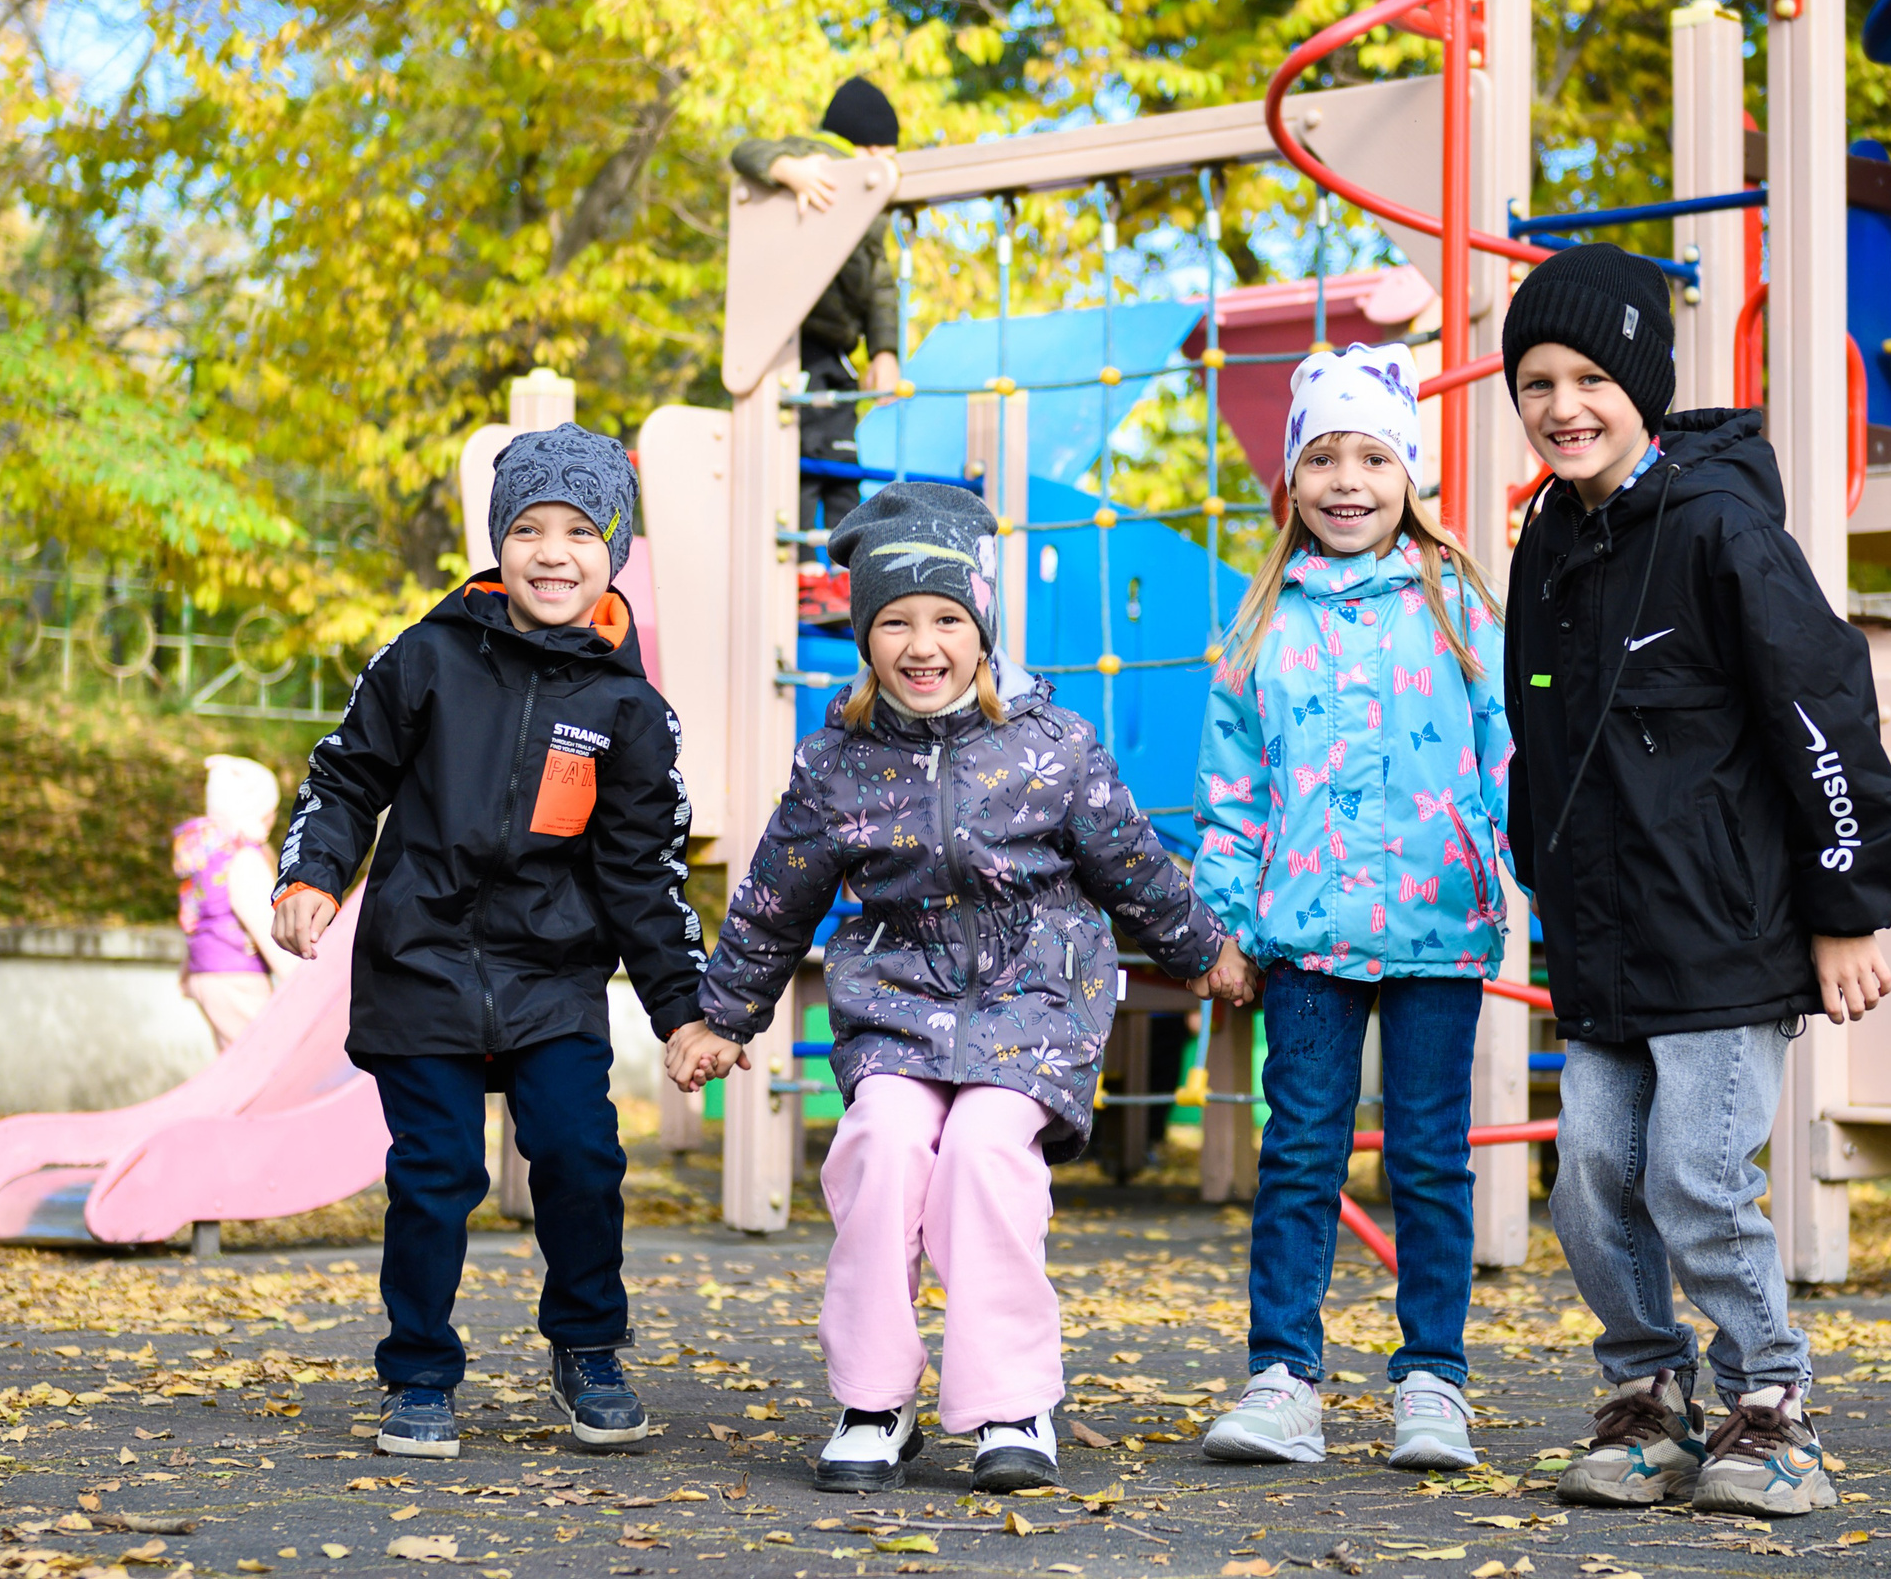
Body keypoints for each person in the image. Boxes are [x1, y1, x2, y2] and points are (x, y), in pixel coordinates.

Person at [670, 482, 1229, 1496]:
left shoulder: (1052, 745)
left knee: (979, 1154)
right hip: (895, 1000)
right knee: (880, 1145)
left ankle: (1011, 1399)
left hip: (1033, 1001)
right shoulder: (835, 762)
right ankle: (873, 1398)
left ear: (982, 631)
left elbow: (1130, 865)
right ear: (864, 636)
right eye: (894, 622)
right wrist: (723, 1013)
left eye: (945, 620)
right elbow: (774, 897)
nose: (921, 644)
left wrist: (1202, 954)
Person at [1497, 243, 1891, 1517]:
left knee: (1693, 1176)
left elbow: (1824, 716)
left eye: (1588, 378)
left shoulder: (1721, 528)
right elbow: (1543, 727)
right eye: (1534, 381)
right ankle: (1650, 1398)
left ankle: (1770, 1405)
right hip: (1609, 935)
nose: (1561, 405)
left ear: (1643, 385)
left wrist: (1847, 910)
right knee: (1588, 1187)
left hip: (1725, 932)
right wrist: (1541, 873)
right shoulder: (1545, 539)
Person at [269, 423, 709, 1464]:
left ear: (614, 551)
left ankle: (588, 1347)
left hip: (550, 974)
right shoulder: (424, 658)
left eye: (577, 532)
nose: (551, 552)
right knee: (434, 1173)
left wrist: (682, 1008)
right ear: (497, 543)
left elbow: (643, 876)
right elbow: (345, 779)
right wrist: (311, 874)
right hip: (419, 960)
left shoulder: (629, 709)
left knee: (578, 1154)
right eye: (528, 529)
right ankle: (419, 1372)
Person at [1189, 343, 1510, 1473]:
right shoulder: (1261, 620)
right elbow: (1229, 789)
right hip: (1305, 935)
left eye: (1372, 456)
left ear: (1408, 474)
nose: (1346, 480)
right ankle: (1282, 1380)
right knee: (1301, 1156)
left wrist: (1532, 875)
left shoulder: (1457, 600)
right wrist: (1221, 920)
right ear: (1291, 479)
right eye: (1321, 456)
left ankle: (1432, 1380)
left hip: (1437, 927)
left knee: (1427, 1158)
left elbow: (1506, 754)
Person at [730, 77, 903, 538]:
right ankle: (804, 564)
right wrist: (789, 169)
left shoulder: (872, 207)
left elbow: (880, 284)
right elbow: (745, 152)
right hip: (793, 338)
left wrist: (884, 350)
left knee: (843, 456)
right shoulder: (818, 161)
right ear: (863, 148)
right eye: (881, 152)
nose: (886, 165)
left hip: (838, 350)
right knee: (803, 456)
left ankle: (845, 565)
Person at [173, 754, 303, 1049]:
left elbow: (199, 918)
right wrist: (297, 975)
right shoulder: (243, 859)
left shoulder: (206, 855)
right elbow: (262, 922)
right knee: (263, 1059)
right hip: (237, 976)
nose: (273, 816)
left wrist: (186, 970)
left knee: (232, 1064)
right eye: (269, 809)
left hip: (207, 974)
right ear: (254, 810)